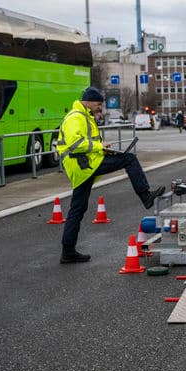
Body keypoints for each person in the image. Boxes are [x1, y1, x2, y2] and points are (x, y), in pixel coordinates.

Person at [56, 87, 165, 264]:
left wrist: (103, 150)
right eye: (98, 104)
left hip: (84, 166)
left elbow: (86, 143)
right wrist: (100, 147)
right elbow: (76, 144)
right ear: (89, 102)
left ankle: (67, 251)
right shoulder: (76, 117)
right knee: (129, 159)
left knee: (77, 209)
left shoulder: (84, 116)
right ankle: (146, 196)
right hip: (84, 165)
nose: (100, 108)